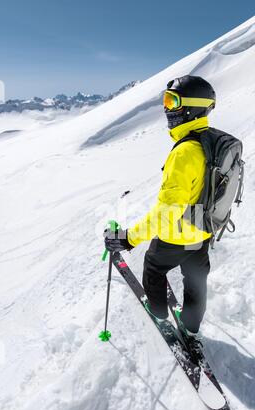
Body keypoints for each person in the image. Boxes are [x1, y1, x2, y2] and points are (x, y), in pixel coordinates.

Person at [104, 75, 216, 350]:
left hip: (176, 236)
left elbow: (165, 213)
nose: (167, 108)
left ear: (190, 107)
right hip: (202, 230)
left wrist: (129, 238)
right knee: (196, 280)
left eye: (173, 101)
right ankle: (191, 331)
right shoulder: (209, 140)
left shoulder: (185, 152)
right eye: (166, 100)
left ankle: (160, 316)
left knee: (154, 269)